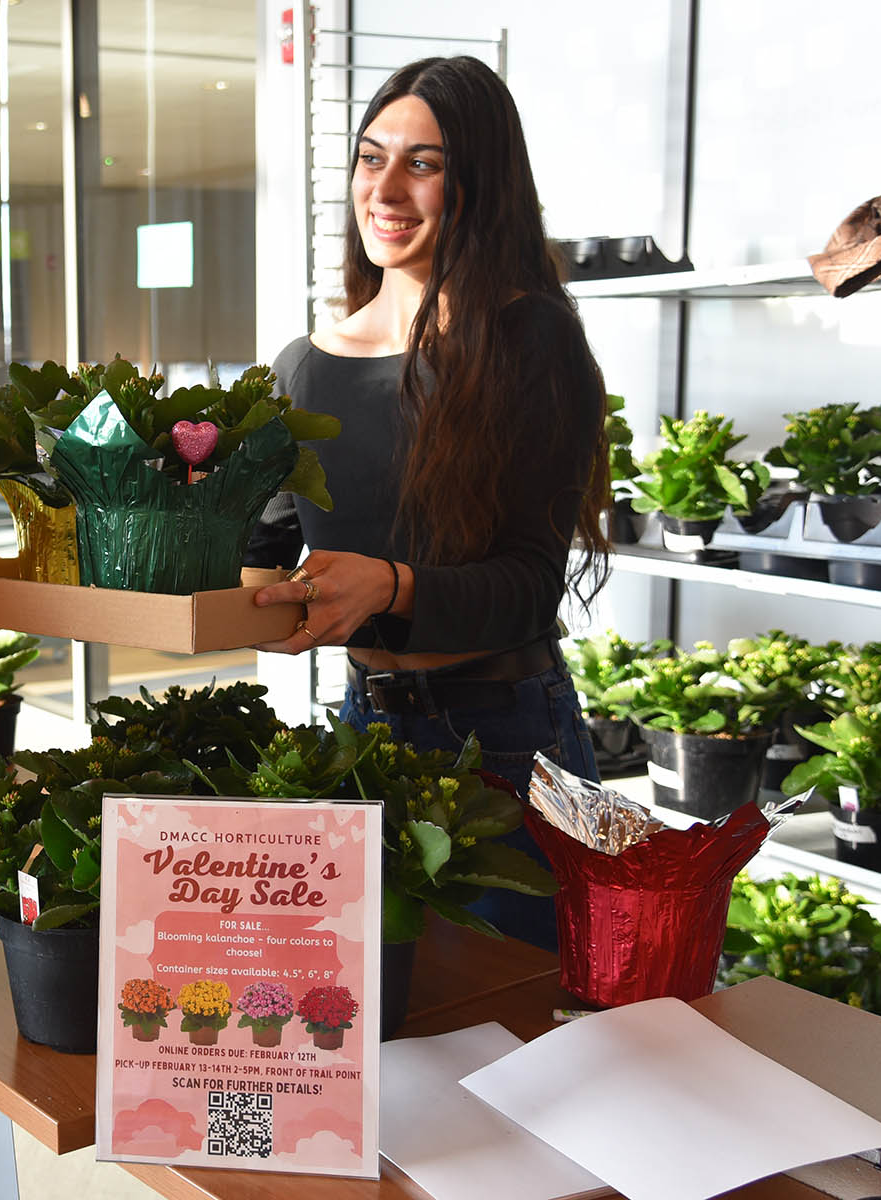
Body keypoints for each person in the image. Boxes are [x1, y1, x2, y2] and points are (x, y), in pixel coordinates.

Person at [247, 56, 612, 950]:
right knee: (374, 1022)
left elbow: (529, 586)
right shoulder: (306, 363)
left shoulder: (529, 338)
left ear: (477, 184)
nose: (388, 187)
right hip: (362, 728)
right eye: (373, 159)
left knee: (520, 1028)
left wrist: (388, 585)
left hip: (503, 743)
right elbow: (263, 558)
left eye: (425, 163)